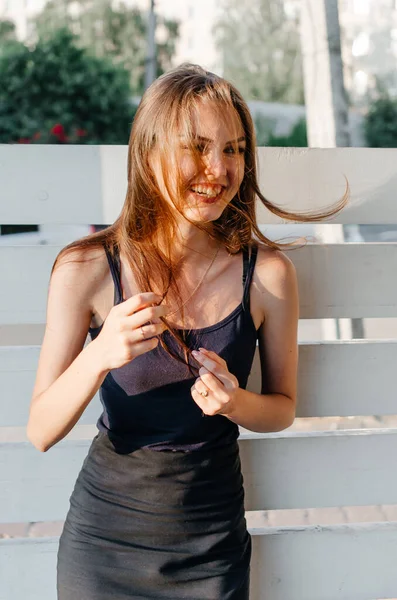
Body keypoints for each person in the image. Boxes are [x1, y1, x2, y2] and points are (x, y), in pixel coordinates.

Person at [27, 63, 347, 600]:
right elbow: (39, 429)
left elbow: (283, 406)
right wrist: (100, 353)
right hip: (103, 545)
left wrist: (234, 402)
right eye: (197, 147)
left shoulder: (267, 276)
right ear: (150, 153)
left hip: (211, 544)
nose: (219, 168)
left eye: (235, 149)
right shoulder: (85, 269)